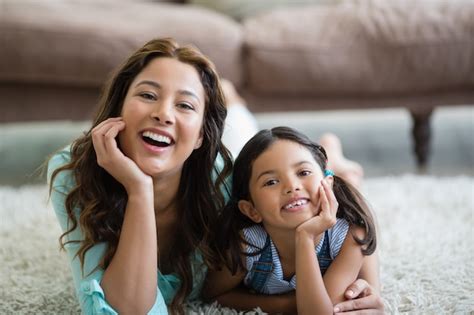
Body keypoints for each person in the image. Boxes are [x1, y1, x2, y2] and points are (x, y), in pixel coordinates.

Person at [48, 37, 383, 314]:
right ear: (119, 108)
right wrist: (139, 190)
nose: (163, 112)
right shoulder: (74, 177)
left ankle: (331, 158)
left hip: (225, 155)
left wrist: (368, 285)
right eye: (148, 95)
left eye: (184, 104)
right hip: (197, 151)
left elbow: (349, 221)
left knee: (284, 161)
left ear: (200, 137)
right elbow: (127, 309)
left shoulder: (226, 183)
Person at [204, 126, 378, 314]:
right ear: (251, 210)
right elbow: (213, 295)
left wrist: (305, 236)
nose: (292, 187)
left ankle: (332, 157)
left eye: (303, 173)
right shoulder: (246, 245)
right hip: (321, 185)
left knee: (350, 187)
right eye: (271, 181)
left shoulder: (351, 233)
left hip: (342, 203)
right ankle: (328, 161)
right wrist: (289, 304)